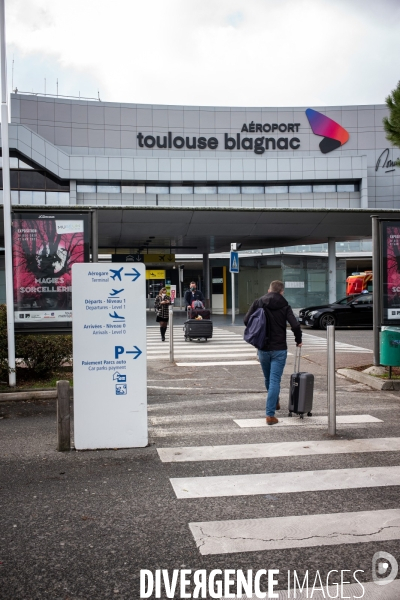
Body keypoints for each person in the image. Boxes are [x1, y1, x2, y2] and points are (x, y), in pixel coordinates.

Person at [244, 280, 302, 426]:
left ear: (269, 290)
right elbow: (295, 325)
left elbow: (246, 320)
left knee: (268, 378)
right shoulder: (285, 305)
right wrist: (298, 339)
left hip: (263, 347)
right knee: (274, 379)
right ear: (282, 292)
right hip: (279, 349)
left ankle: (274, 401)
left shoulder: (259, 302)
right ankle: (270, 415)